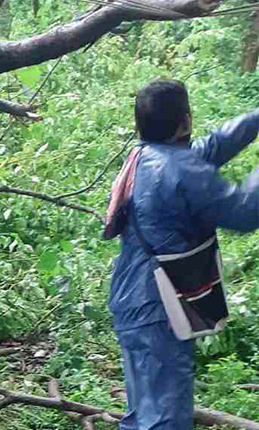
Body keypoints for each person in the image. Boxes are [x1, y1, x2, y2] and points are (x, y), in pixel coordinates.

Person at [107, 79, 259, 430]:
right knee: (166, 420)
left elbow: (214, 145)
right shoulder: (182, 169)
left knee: (141, 413)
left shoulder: (144, 156)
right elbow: (246, 211)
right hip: (161, 308)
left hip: (133, 303)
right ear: (186, 122)